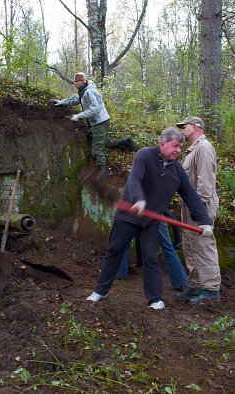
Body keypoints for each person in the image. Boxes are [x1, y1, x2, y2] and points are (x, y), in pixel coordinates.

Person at [85, 127, 214, 310]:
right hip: (128, 216)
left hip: (150, 221)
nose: (178, 150)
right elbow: (135, 179)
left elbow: (190, 195)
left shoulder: (177, 170)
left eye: (180, 147)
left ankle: (155, 299)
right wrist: (139, 200)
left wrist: (204, 221)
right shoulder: (144, 155)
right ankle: (101, 290)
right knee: (115, 250)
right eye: (175, 146)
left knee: (150, 257)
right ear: (162, 144)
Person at [174, 116, 222, 304]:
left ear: (194, 127)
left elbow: (205, 181)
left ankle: (210, 290)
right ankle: (195, 285)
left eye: (184, 127)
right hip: (190, 206)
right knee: (190, 244)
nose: (182, 131)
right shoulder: (192, 150)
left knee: (203, 246)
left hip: (199, 206)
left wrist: (199, 209)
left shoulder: (204, 147)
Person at [53, 72, 110, 176]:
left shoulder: (89, 92)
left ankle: (103, 173)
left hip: (101, 122)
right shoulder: (83, 91)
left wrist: (78, 116)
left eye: (77, 81)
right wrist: (62, 102)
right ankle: (126, 143)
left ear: (83, 81)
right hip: (97, 122)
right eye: (74, 81)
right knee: (101, 143)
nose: (74, 83)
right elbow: (75, 100)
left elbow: (95, 109)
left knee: (96, 149)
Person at [117, 221, 188, 291]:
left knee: (124, 243)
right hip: (154, 214)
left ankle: (121, 273)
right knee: (167, 247)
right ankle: (180, 282)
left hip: (137, 215)